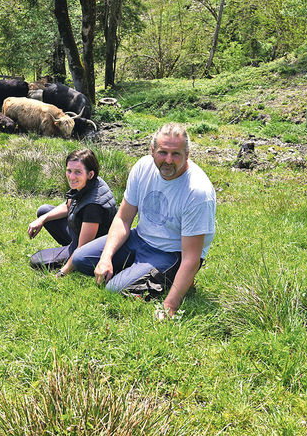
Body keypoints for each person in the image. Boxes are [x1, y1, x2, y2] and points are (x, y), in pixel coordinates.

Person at [70, 123, 216, 318]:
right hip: (139, 238)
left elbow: (192, 258)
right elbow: (123, 218)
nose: (169, 160)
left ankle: (177, 281)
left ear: (187, 154)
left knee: (114, 288)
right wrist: (106, 258)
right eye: (163, 152)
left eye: (176, 154)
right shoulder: (143, 168)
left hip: (171, 252)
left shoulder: (197, 192)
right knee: (81, 259)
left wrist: (170, 305)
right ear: (152, 150)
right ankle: (139, 271)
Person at [27, 149, 117, 277]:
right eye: (69, 171)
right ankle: (66, 248)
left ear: (90, 174)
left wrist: (62, 272)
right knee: (43, 211)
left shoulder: (93, 206)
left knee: (37, 260)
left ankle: (68, 254)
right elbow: (68, 206)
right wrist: (42, 219)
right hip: (78, 230)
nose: (71, 176)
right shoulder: (87, 182)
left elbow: (83, 248)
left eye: (77, 172)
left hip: (90, 247)